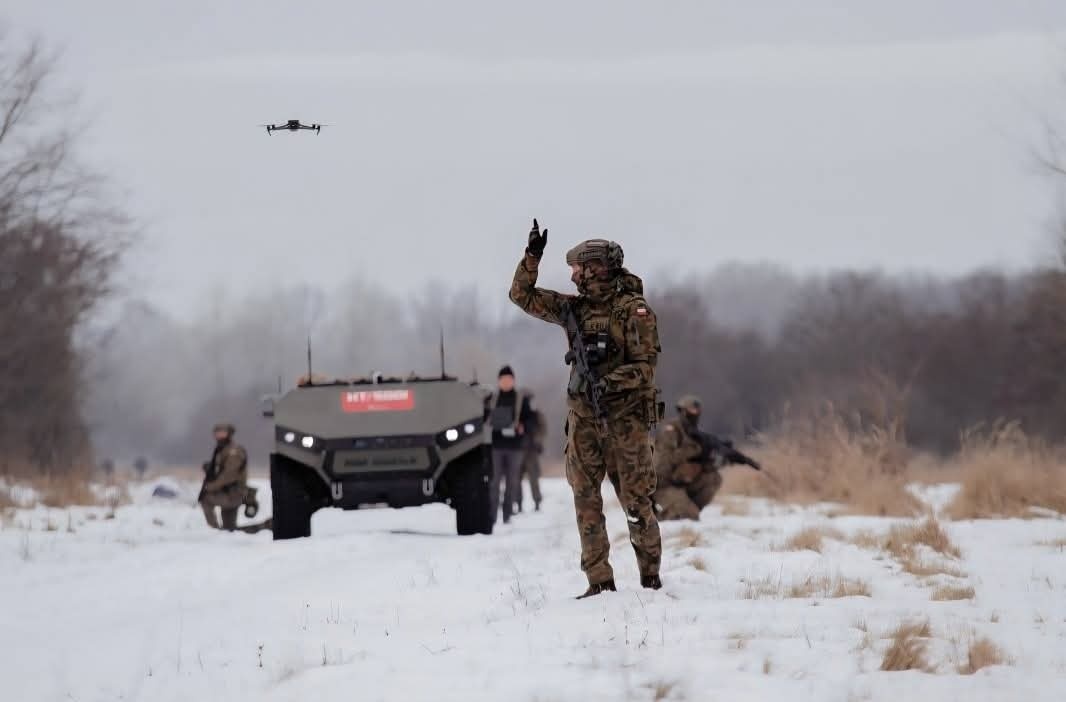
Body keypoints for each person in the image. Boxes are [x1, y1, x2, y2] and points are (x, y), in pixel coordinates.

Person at [509, 218, 663, 598]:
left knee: (636, 501)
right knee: (585, 497)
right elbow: (521, 296)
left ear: (596, 267)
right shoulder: (574, 311)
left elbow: (645, 369)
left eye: (578, 267)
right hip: (584, 421)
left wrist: (608, 383)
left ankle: (650, 579)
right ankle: (600, 582)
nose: (574, 274)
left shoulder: (634, 311)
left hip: (626, 422)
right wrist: (532, 257)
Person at [652, 395, 723, 521]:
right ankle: (659, 520)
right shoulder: (671, 431)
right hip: (664, 485)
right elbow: (664, 460)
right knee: (690, 515)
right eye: (691, 411)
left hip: (683, 483)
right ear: (682, 411)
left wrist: (711, 459)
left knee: (713, 478)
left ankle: (686, 508)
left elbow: (699, 464)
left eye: (697, 411)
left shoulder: (694, 432)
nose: (695, 414)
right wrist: (694, 450)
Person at [485, 366, 534, 524]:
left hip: (515, 447)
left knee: (512, 482)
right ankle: (491, 515)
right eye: (503, 379)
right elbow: (484, 417)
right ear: (499, 381)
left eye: (508, 379)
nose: (506, 382)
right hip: (496, 446)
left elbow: (531, 420)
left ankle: (507, 515)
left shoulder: (521, 399)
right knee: (494, 483)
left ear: (513, 380)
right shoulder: (492, 399)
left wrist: (523, 427)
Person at [199, 422, 254, 531]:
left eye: (223, 433)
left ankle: (214, 530)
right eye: (217, 433)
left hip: (235, 493)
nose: (219, 435)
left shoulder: (233, 451)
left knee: (205, 499)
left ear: (229, 434)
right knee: (229, 528)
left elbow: (230, 474)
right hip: (228, 492)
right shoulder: (222, 449)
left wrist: (212, 486)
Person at [516, 402, 546, 513]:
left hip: (529, 450)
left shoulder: (535, 415)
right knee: (519, 479)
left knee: (533, 478)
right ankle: (520, 503)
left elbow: (542, 430)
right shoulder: (517, 414)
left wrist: (538, 442)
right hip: (519, 451)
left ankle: (536, 501)